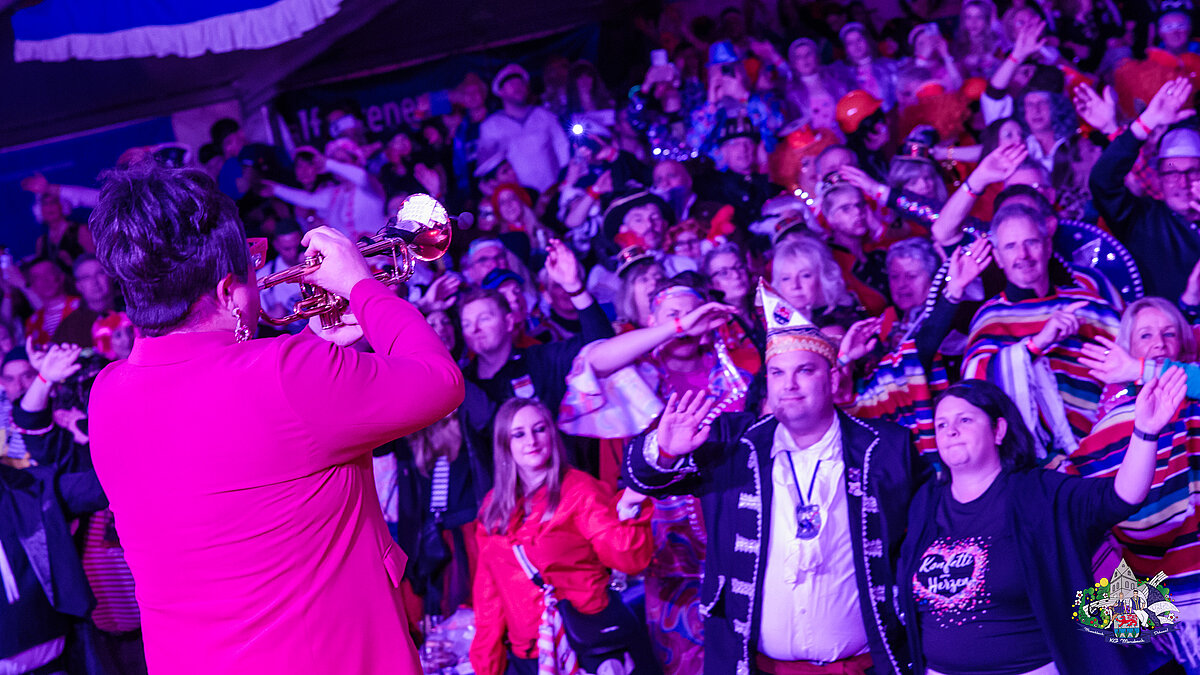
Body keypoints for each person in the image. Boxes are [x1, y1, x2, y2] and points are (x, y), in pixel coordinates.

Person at [86, 162, 464, 674]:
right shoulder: (287, 374)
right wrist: (362, 286)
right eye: (253, 265)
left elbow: (242, 442)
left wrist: (316, 345)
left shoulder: (107, 395)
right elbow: (440, 381)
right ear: (227, 291)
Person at [624, 304, 926, 675]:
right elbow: (643, 479)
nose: (789, 385)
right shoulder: (733, 442)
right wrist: (666, 451)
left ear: (833, 379)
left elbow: (926, 538)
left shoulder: (886, 447)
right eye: (778, 373)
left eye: (805, 370)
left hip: (864, 667)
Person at [899, 377, 1177, 674]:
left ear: (998, 430)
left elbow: (1122, 497)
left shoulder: (1039, 493)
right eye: (941, 424)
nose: (951, 431)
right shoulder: (925, 502)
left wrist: (1145, 432)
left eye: (964, 420)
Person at [470, 398, 657, 675]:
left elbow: (628, 557)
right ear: (504, 444)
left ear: (551, 433)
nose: (531, 441)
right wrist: (487, 666)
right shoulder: (493, 508)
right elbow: (489, 595)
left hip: (586, 644)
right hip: (529, 654)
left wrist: (629, 506)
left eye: (539, 429)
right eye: (519, 434)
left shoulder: (580, 491)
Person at [1069, 298, 1200, 671]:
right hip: (1160, 589)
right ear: (1126, 346)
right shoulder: (1113, 422)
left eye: (1169, 333)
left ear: (1184, 342)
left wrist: (1140, 369)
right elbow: (1087, 502)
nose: (1159, 343)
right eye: (1146, 335)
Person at [961, 203, 1121, 459]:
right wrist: (1036, 344)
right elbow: (975, 387)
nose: (1023, 255)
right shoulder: (990, 317)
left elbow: (1131, 361)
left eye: (1031, 242)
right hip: (1029, 461)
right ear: (998, 258)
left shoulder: (1089, 305)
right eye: (1011, 246)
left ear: (1048, 246)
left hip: (1104, 445)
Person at [1086, 77, 1200, 299]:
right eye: (1172, 173)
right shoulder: (1141, 219)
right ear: (1159, 179)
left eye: (1193, 172)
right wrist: (1146, 123)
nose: (1183, 183)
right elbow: (1103, 181)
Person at [480, 64, 571, 193]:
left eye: (520, 83)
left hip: (553, 193)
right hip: (517, 199)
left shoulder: (545, 116)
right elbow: (486, 167)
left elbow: (563, 150)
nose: (517, 87)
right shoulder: (490, 126)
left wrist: (565, 183)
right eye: (511, 84)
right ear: (500, 92)